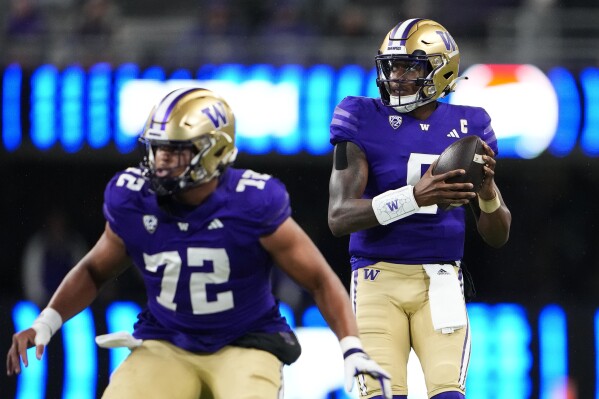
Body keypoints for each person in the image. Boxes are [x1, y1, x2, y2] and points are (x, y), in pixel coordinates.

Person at [7, 88, 391, 399]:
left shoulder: (253, 201)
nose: (161, 161)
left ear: (215, 150)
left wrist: (351, 346)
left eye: (176, 151)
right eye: (158, 149)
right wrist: (47, 321)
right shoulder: (132, 198)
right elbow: (94, 269)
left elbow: (319, 279)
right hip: (166, 341)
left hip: (245, 343)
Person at [327, 18, 512, 399]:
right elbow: (339, 216)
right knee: (380, 393)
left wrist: (488, 191)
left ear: (441, 70)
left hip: (441, 280)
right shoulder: (361, 116)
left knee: (448, 393)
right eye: (391, 65)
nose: (396, 75)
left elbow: (498, 235)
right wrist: (414, 196)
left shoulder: (470, 125)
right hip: (378, 277)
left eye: (410, 65)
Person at [21, 209, 88, 306]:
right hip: (43, 302)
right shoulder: (37, 246)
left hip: (70, 302)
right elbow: (31, 278)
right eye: (54, 225)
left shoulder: (75, 246)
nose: (57, 228)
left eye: (61, 225)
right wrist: (39, 301)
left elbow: (83, 276)